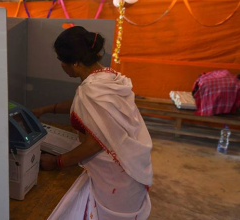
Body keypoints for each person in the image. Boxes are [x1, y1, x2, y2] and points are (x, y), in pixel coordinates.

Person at [32, 26, 153, 220]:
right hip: (130, 164)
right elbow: (86, 106)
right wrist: (46, 109)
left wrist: (56, 162)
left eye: (62, 61)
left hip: (116, 177)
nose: (61, 65)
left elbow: (94, 144)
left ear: (76, 63)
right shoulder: (108, 77)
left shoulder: (91, 91)